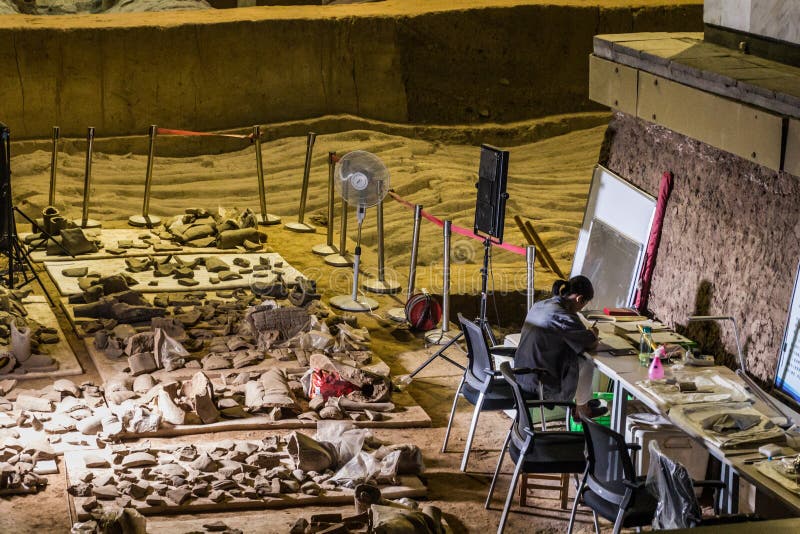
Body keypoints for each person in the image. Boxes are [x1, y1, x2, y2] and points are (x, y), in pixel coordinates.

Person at [514, 275, 605, 420]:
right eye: (584, 305)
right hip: (539, 381)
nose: (581, 310)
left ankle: (583, 403)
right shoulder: (564, 315)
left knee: (575, 356)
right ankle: (582, 410)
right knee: (586, 361)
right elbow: (590, 344)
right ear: (579, 299)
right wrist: (593, 333)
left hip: (520, 373)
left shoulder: (541, 304)